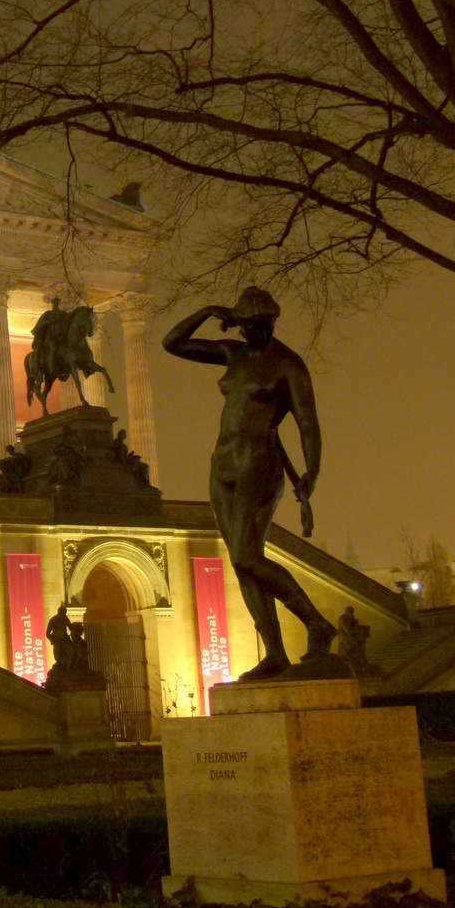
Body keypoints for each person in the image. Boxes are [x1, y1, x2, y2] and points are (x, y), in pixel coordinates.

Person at [162, 286, 337, 681]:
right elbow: (172, 343)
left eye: (265, 324)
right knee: (244, 564)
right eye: (251, 325)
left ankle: (316, 623)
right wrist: (207, 308)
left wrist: (313, 470)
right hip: (222, 465)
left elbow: (308, 423)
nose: (259, 331)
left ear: (273, 322)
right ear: (239, 324)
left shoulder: (287, 365)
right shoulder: (233, 354)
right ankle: (276, 654)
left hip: (261, 464)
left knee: (246, 556)